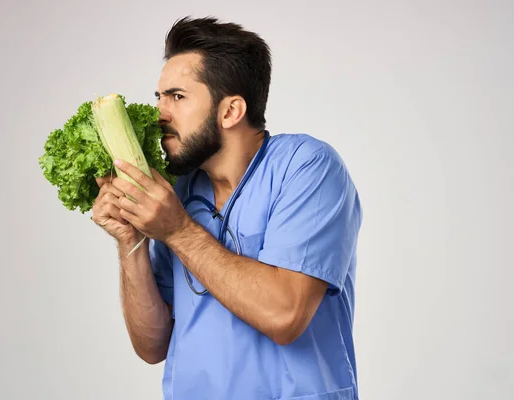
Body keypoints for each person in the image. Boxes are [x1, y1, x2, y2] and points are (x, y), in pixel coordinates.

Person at [92, 16, 363, 400]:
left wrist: (177, 230)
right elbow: (152, 346)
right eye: (159, 97)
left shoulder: (307, 167)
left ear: (231, 111)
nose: (159, 114)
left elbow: (285, 316)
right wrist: (131, 241)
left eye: (177, 97)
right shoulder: (181, 191)